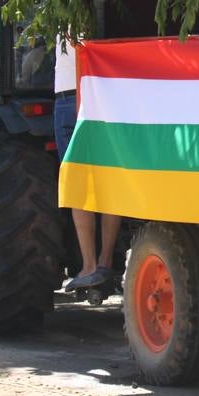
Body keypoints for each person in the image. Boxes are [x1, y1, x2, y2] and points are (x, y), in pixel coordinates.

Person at [55, 38, 123, 292]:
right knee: (109, 179)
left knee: (78, 184)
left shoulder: (59, 2)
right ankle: (105, 262)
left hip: (70, 93)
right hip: (106, 91)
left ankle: (89, 266)